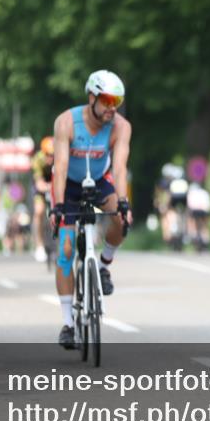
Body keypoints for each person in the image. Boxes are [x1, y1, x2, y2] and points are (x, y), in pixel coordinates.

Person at [48, 70, 133, 350]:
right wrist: (58, 207)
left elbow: (119, 167)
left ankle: (105, 265)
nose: (112, 108)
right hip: (69, 184)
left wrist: (123, 202)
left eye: (116, 102)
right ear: (92, 97)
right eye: (107, 100)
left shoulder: (121, 126)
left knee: (121, 220)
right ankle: (68, 324)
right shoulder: (67, 122)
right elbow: (59, 167)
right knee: (66, 250)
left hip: (100, 180)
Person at [31, 136, 54, 262]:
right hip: (41, 185)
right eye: (48, 155)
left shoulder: (59, 159)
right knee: (39, 211)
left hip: (55, 183)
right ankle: (39, 245)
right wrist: (47, 187)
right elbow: (39, 183)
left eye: (53, 155)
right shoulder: (37, 160)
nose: (50, 158)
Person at [186, 182, 210, 251]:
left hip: (195, 210)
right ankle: (206, 239)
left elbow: (189, 205)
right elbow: (208, 205)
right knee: (204, 226)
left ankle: (193, 234)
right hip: (204, 210)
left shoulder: (191, 193)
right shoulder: (205, 192)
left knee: (192, 222)